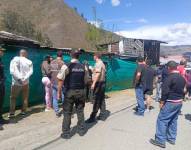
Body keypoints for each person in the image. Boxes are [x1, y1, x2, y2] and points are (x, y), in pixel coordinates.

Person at [150, 61, 186, 148]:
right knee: (173, 120)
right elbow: (184, 90)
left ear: (169, 68)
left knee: (162, 120)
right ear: (176, 67)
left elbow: (165, 92)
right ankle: (171, 138)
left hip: (170, 102)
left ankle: (160, 140)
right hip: (179, 102)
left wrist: (162, 102)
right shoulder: (182, 78)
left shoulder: (169, 78)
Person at [57, 50, 88, 139]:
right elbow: (86, 80)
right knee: (80, 111)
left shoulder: (66, 66)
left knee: (67, 112)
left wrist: (58, 93)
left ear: (71, 55)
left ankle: (66, 133)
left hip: (70, 92)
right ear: (79, 56)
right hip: (81, 92)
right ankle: (81, 130)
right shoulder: (83, 67)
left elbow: (60, 79)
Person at [9, 49, 33, 118]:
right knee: (25, 97)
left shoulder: (14, 59)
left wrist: (19, 79)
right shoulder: (29, 61)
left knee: (13, 98)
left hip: (16, 82)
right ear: (25, 54)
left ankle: (12, 113)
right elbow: (31, 72)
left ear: (20, 53)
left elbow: (12, 71)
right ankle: (23, 111)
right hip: (26, 82)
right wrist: (25, 78)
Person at [86, 52, 107, 123]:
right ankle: (103, 115)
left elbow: (98, 74)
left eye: (93, 56)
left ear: (96, 56)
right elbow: (97, 72)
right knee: (101, 99)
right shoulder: (102, 63)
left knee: (96, 100)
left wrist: (93, 83)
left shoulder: (98, 63)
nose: (93, 57)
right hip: (102, 83)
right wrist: (92, 69)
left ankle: (92, 117)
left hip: (98, 84)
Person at [50, 51, 64, 117]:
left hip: (53, 82)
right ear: (62, 56)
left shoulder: (52, 62)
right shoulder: (62, 63)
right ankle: (65, 109)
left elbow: (50, 72)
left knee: (54, 97)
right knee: (64, 96)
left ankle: (57, 111)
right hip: (60, 82)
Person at [0, 47, 6, 130]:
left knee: (1, 102)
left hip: (1, 84)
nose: (3, 52)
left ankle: (1, 119)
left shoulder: (0, 60)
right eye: (1, 51)